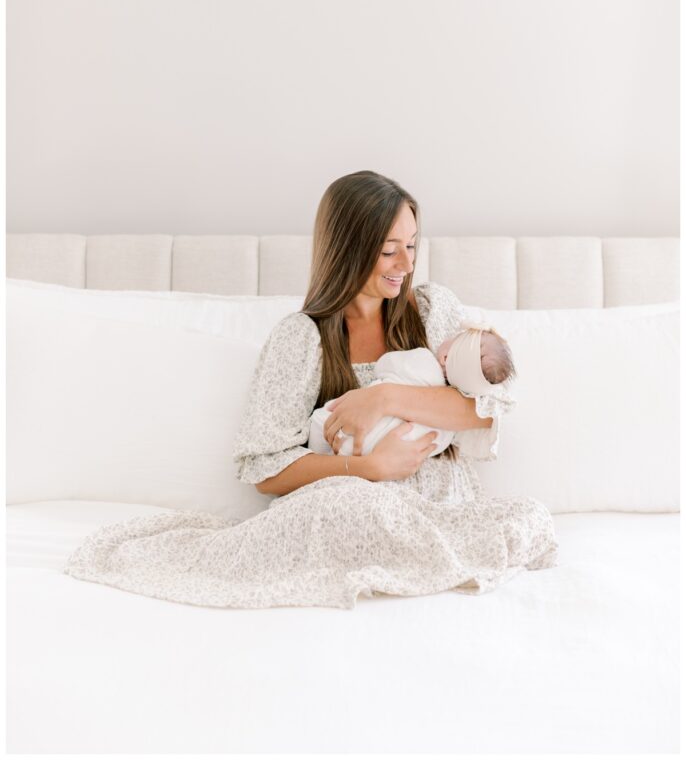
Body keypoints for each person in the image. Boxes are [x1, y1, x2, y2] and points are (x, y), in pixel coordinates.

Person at [62, 170, 558, 609]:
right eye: (388, 249)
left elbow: (483, 411)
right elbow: (265, 469)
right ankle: (400, 559)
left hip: (438, 508)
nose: (404, 263)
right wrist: (367, 468)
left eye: (411, 245)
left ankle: (418, 557)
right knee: (354, 505)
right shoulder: (302, 338)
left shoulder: (431, 313)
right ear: (347, 248)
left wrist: (381, 398)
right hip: (352, 502)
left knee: (530, 517)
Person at [306, 325, 516, 460]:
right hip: (372, 461)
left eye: (457, 336)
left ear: (445, 358)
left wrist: (384, 394)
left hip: (340, 429)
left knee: (319, 422)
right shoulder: (447, 432)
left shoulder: (423, 360)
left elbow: (384, 365)